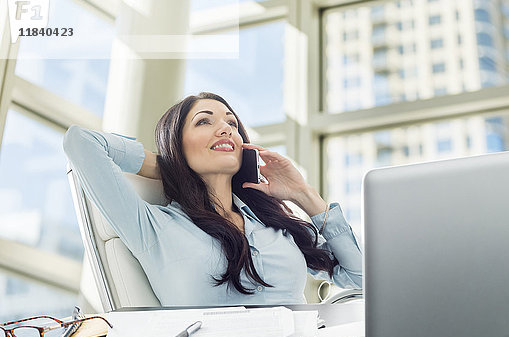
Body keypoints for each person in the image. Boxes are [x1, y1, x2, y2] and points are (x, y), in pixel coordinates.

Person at [63, 92, 362, 306]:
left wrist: (303, 194)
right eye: (204, 122)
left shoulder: (275, 227)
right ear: (176, 144)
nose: (225, 129)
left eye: (232, 124)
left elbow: (359, 280)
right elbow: (80, 142)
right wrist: (168, 165)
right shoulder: (155, 228)